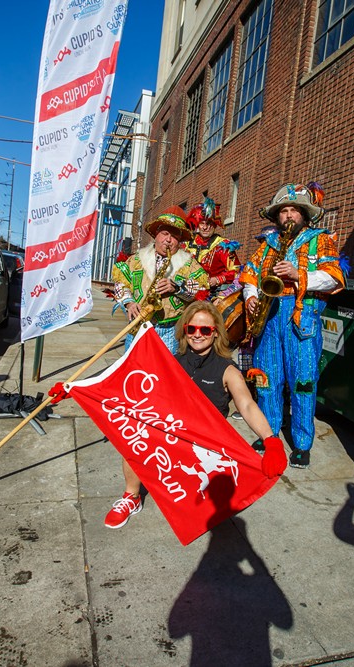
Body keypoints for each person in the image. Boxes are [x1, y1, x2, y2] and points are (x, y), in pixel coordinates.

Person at [103, 301, 287, 529]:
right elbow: (137, 394)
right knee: (133, 431)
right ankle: (132, 496)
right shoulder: (171, 363)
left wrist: (271, 441)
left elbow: (247, 405)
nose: (197, 335)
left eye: (205, 330)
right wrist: (78, 391)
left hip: (206, 447)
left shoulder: (227, 370)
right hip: (175, 437)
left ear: (216, 333)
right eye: (192, 329)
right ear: (184, 331)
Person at [241, 182, 345, 470]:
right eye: (283, 211)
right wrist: (250, 298)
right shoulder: (267, 243)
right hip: (269, 315)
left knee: (302, 383)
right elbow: (249, 275)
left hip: (301, 318)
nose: (288, 216)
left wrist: (299, 275)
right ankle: (269, 435)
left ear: (304, 215)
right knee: (267, 380)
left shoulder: (319, 240)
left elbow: (335, 277)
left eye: (294, 211)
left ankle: (301, 444)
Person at [111, 205, 209, 354]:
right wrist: (129, 303)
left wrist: (177, 288)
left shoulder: (190, 264)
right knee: (132, 371)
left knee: (163, 374)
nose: (168, 240)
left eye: (175, 236)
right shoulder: (136, 259)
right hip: (138, 325)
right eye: (165, 233)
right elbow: (120, 282)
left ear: (180, 241)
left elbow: (201, 290)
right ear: (156, 235)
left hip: (169, 331)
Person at [184, 197, 241, 298]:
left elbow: (236, 272)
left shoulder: (223, 246)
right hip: (186, 293)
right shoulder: (186, 244)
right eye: (202, 223)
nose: (205, 227)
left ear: (215, 225)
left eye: (209, 223)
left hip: (211, 296)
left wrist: (218, 279)